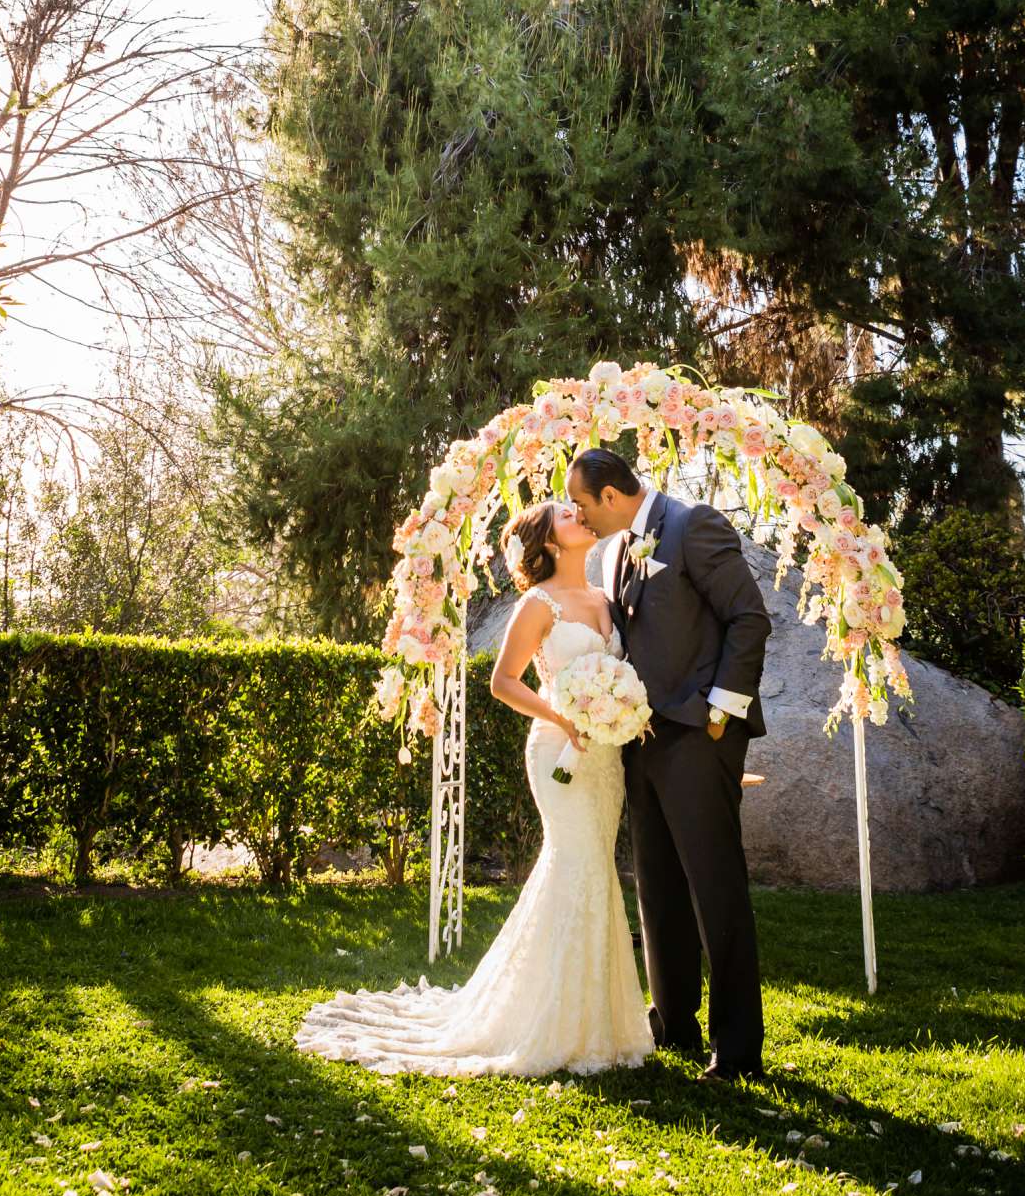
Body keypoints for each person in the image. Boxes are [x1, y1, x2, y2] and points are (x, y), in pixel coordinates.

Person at [295, 498, 654, 1077]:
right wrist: (564, 718)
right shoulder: (537, 605)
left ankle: (598, 1022)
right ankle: (550, 1022)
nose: (580, 516)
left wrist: (615, 714)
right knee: (578, 863)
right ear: (548, 542)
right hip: (556, 751)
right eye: (566, 515)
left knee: (595, 869)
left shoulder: (605, 600)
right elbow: (503, 682)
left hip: (604, 758)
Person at [567, 446, 770, 1082]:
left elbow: (748, 619)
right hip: (641, 741)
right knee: (656, 887)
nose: (578, 517)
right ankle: (673, 1021)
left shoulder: (694, 525)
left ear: (609, 494)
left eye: (580, 504)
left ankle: (736, 1049)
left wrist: (719, 713)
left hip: (698, 736)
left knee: (716, 890)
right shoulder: (619, 550)